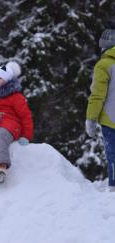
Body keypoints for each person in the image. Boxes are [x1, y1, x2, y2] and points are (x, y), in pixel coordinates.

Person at [86, 29, 115, 191]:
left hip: (111, 120)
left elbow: (97, 96)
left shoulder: (103, 65)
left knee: (114, 156)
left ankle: (114, 188)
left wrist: (91, 119)